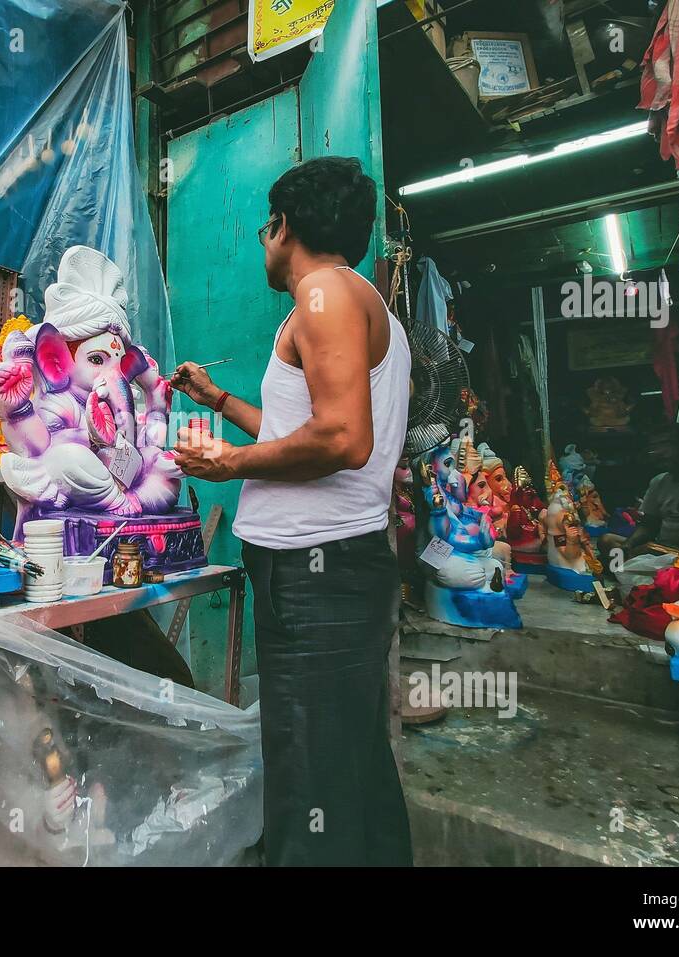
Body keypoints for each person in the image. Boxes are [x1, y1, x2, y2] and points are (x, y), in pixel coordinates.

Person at [171, 156, 413, 866]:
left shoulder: (327, 294)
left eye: (264, 227)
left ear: (284, 225)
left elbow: (341, 436)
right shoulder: (343, 300)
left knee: (312, 775)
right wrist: (219, 403)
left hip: (320, 576)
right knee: (350, 764)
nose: (261, 243)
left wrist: (227, 464)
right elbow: (302, 430)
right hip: (333, 570)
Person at [601, 424, 679, 558]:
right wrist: (628, 545)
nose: (659, 452)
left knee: (642, 553)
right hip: (662, 547)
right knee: (608, 541)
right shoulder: (658, 481)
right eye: (654, 447)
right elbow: (649, 525)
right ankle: (626, 567)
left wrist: (657, 547)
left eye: (665, 445)